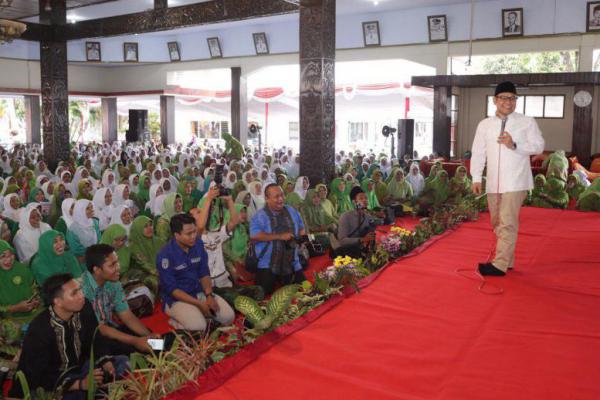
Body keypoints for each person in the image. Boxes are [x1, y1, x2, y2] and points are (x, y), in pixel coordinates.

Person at [10, 273, 128, 399]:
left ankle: (96, 389)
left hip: (79, 369)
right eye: (74, 293)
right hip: (49, 383)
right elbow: (36, 376)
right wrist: (80, 384)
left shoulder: (84, 307)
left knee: (124, 363)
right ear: (58, 302)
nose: (82, 295)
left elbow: (95, 338)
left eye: (80, 290)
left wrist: (106, 363)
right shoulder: (39, 330)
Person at [470, 81, 545, 276]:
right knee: (497, 222)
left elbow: (539, 146)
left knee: (507, 222)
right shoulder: (485, 124)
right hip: (494, 182)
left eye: (512, 98)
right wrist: (476, 177)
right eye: (504, 98)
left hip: (516, 181)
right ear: (495, 100)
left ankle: (499, 264)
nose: (508, 102)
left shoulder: (527, 121)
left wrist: (514, 145)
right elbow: (478, 152)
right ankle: (508, 260)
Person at [156, 213, 235, 331]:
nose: (193, 236)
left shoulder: (198, 244)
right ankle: (176, 323)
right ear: (176, 235)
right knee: (199, 327)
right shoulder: (165, 256)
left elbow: (204, 272)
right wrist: (199, 304)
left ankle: (200, 315)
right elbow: (172, 290)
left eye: (194, 231)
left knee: (229, 317)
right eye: (189, 234)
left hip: (199, 292)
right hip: (177, 299)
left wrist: (209, 295)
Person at [81, 244, 159, 355]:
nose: (118, 267)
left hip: (109, 328)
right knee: (133, 349)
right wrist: (136, 341)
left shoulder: (113, 282)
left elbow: (126, 315)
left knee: (154, 342)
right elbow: (100, 329)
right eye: (112, 265)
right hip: (92, 337)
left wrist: (148, 336)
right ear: (97, 270)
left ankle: (158, 348)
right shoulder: (83, 291)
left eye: (117, 262)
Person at [250, 183, 307, 295]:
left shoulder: (291, 210)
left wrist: (300, 237)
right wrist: (280, 236)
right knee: (264, 293)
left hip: (292, 262)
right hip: (269, 263)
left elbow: (301, 227)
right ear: (266, 199)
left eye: (282, 195)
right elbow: (254, 236)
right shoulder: (260, 216)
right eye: (276, 196)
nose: (281, 199)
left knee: (307, 289)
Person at [333, 186, 377, 259]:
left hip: (361, 249)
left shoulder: (368, 216)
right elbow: (342, 241)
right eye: (361, 198)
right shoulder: (346, 217)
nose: (365, 200)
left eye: (366, 198)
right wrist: (362, 239)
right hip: (347, 252)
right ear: (354, 202)